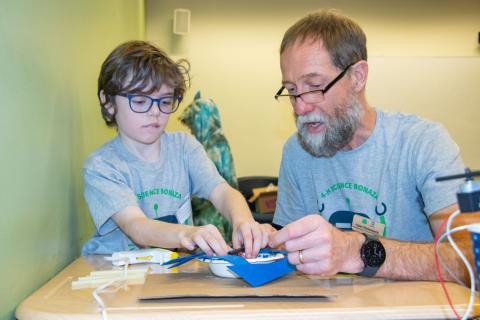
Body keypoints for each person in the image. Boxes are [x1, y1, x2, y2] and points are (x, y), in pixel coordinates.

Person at [268, 10, 474, 281]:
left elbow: (470, 258)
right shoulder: (297, 152)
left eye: (315, 85)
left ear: (357, 76)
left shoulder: (422, 143)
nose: (301, 106)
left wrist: (359, 252)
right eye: (292, 90)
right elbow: (289, 252)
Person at [82, 40, 268, 258]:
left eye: (165, 101)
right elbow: (137, 227)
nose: (155, 112)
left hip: (170, 272)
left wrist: (243, 221)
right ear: (108, 102)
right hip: (116, 276)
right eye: (140, 101)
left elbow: (223, 192)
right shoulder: (103, 166)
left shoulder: (184, 147)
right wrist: (187, 234)